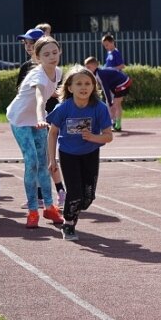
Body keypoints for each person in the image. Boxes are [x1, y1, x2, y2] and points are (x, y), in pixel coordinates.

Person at [6, 36, 65, 228]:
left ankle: (49, 207)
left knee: (44, 163)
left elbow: (52, 91)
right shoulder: (37, 75)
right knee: (31, 162)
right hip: (21, 119)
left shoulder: (58, 71)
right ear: (37, 57)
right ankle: (33, 211)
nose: (52, 57)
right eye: (46, 54)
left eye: (55, 52)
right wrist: (41, 118)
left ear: (60, 52)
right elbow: (40, 98)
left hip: (38, 121)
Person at [47, 66, 113, 240]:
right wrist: (52, 159)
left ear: (93, 87)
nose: (83, 87)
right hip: (68, 154)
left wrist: (93, 137)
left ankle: (75, 207)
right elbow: (52, 133)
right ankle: (68, 223)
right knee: (74, 192)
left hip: (90, 154)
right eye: (79, 84)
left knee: (88, 196)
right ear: (70, 87)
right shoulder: (63, 108)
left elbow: (108, 137)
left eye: (87, 83)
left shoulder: (100, 108)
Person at [84, 56, 131, 132]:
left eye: (89, 67)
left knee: (115, 104)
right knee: (115, 104)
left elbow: (105, 89)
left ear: (95, 66)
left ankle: (115, 125)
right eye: (86, 68)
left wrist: (110, 102)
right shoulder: (98, 73)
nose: (87, 70)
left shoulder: (100, 74)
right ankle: (115, 123)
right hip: (119, 84)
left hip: (123, 83)